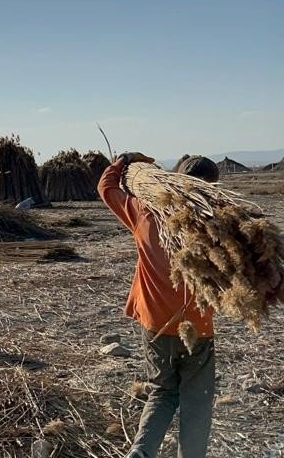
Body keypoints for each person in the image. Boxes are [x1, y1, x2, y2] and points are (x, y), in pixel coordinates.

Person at [98, 153, 219, 458]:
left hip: (155, 326)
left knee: (163, 392)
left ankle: (141, 452)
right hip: (198, 328)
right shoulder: (216, 226)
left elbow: (106, 187)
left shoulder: (144, 213)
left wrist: (123, 161)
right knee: (197, 402)